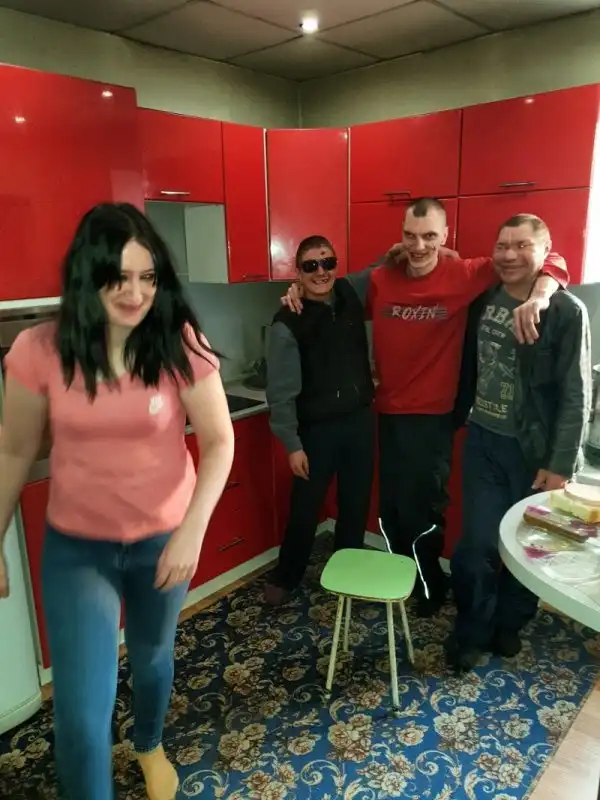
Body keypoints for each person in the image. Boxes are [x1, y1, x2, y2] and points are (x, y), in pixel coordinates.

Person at [0, 203, 234, 800]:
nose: (135, 293)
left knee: (153, 660)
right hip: (79, 550)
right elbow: (13, 449)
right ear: (89, 275)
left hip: (163, 540)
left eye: (147, 277)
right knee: (82, 713)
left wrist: (191, 531)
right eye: (119, 277)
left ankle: (149, 743)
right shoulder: (39, 349)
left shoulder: (179, 341)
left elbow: (218, 441)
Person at [282, 198, 569, 616]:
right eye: (411, 236)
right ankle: (399, 577)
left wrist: (541, 294)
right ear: (401, 235)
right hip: (387, 413)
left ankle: (430, 585)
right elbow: (327, 292)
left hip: (434, 418)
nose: (419, 246)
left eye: (430, 236)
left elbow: (546, 258)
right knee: (392, 509)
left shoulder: (465, 273)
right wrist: (295, 289)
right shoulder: (380, 278)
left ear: (445, 235)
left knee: (425, 509)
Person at [447, 214, 591, 672]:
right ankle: (472, 630)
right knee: (476, 547)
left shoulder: (566, 311)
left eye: (522, 245)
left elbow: (576, 393)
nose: (509, 255)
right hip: (483, 442)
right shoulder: (483, 300)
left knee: (527, 550)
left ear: (545, 252)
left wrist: (560, 463)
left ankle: (510, 623)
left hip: (535, 452)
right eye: (502, 245)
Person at [264, 235, 375, 605]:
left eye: (328, 262)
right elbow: (280, 391)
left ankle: (349, 569)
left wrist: (431, 250)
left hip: (359, 421)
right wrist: (292, 445)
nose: (321, 271)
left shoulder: (350, 291)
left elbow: (386, 264)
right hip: (317, 430)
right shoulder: (288, 322)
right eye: (310, 265)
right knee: (306, 506)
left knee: (355, 503)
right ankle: (287, 575)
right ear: (298, 272)